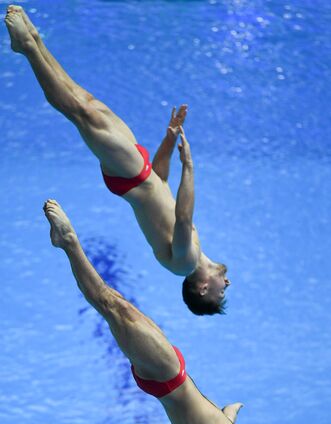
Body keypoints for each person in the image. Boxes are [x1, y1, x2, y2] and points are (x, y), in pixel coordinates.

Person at [42, 198, 292, 424]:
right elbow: (219, 423)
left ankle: (68, 241)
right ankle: (68, 244)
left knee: (108, 302)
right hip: (170, 370)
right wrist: (232, 411)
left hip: (165, 375)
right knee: (114, 302)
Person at [5, 5, 231, 316]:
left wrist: (189, 168)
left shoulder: (185, 263)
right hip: (142, 168)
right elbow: (162, 184)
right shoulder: (193, 251)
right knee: (86, 103)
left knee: (79, 112)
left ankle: (30, 48)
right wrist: (169, 138)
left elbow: (182, 218)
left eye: (220, 293)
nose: (227, 284)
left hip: (131, 175)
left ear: (203, 288)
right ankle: (31, 41)